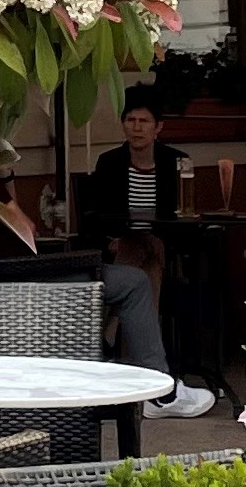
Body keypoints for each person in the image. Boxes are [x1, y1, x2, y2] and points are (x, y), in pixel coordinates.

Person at [82, 88, 216, 418]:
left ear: (158, 128)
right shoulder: (110, 162)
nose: (137, 127)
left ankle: (111, 333)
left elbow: (184, 219)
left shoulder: (175, 161)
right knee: (143, 257)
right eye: (130, 120)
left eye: (144, 121)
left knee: (149, 248)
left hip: (166, 249)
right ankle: (152, 380)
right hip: (123, 248)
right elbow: (97, 218)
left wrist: (157, 239)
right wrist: (115, 240)